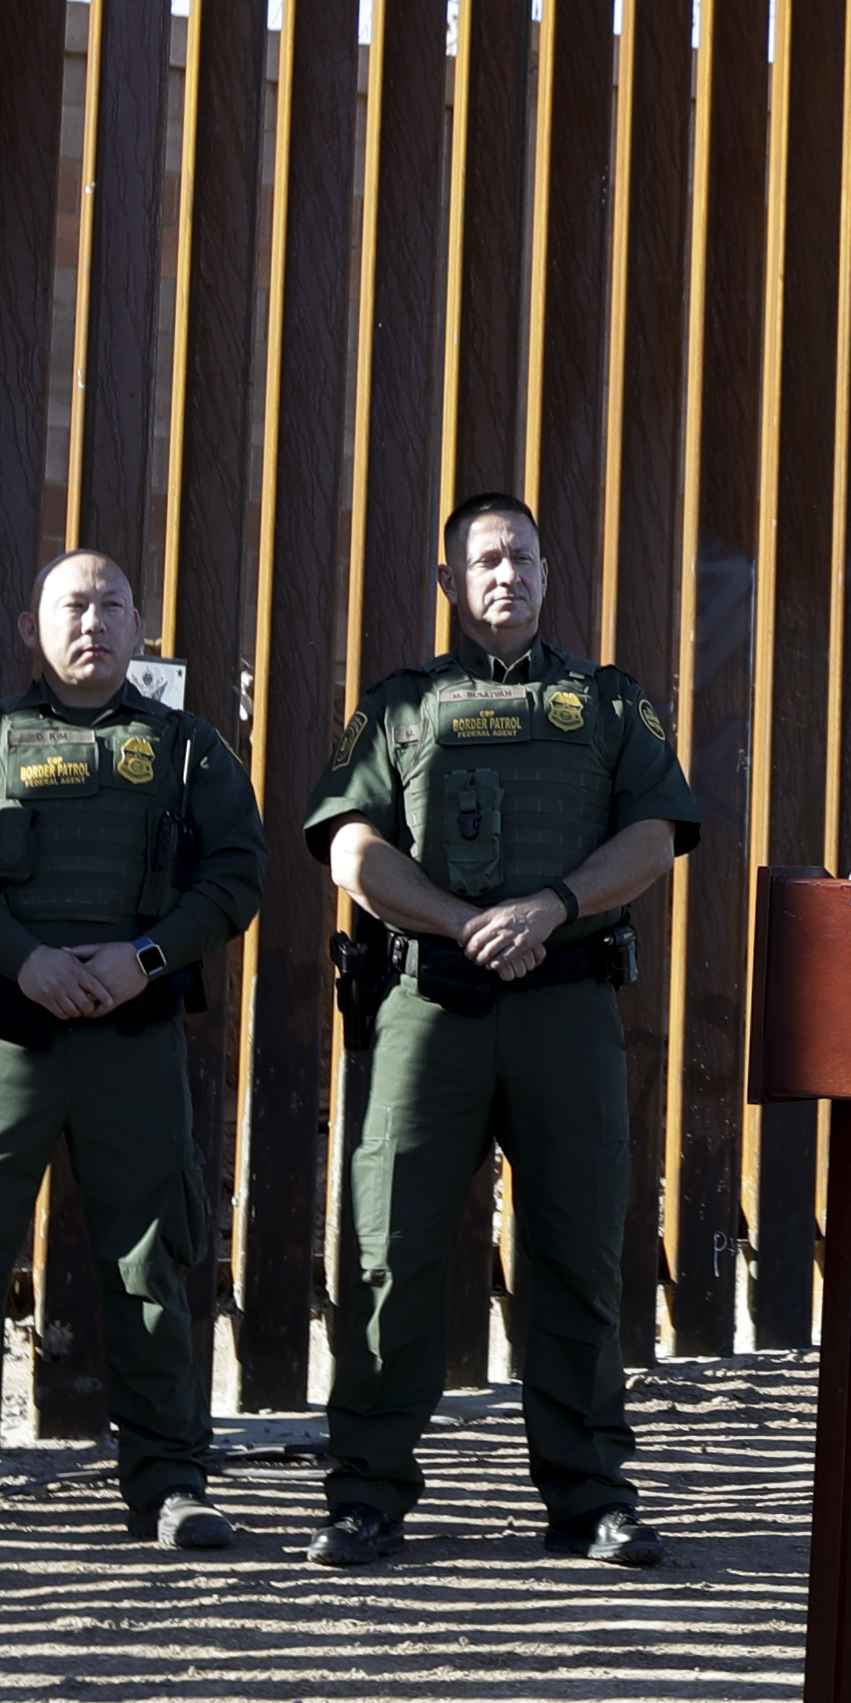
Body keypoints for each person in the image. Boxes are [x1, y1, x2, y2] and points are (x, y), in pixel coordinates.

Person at [0, 550, 274, 1553]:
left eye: (111, 605)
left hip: (134, 1035)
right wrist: (24, 958)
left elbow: (237, 877)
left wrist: (146, 957)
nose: (92, 622)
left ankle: (169, 1485)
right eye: (71, 606)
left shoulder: (187, 750)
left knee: (152, 1262)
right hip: (5, 1033)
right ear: (30, 629)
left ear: (138, 626)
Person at [300, 493, 703, 1570]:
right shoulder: (396, 707)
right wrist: (463, 921)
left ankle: (589, 1497)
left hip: (566, 1004)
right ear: (448, 583)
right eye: (482, 559)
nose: (505, 573)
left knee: (576, 1252)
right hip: (429, 1006)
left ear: (543, 568)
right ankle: (366, 1496)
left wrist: (553, 907)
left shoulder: (608, 703)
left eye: (521, 553)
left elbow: (656, 837)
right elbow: (350, 850)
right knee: (394, 1252)